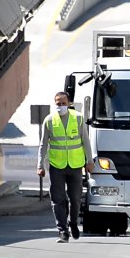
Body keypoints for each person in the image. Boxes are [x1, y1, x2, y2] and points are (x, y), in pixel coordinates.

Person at [37, 91, 94, 243]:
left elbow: (85, 141)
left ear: (69, 103)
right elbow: (43, 145)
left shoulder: (78, 118)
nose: (60, 106)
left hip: (75, 165)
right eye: (58, 103)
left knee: (75, 199)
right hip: (57, 166)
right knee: (58, 199)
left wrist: (89, 161)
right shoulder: (49, 120)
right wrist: (40, 165)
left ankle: (73, 223)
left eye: (63, 103)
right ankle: (62, 231)